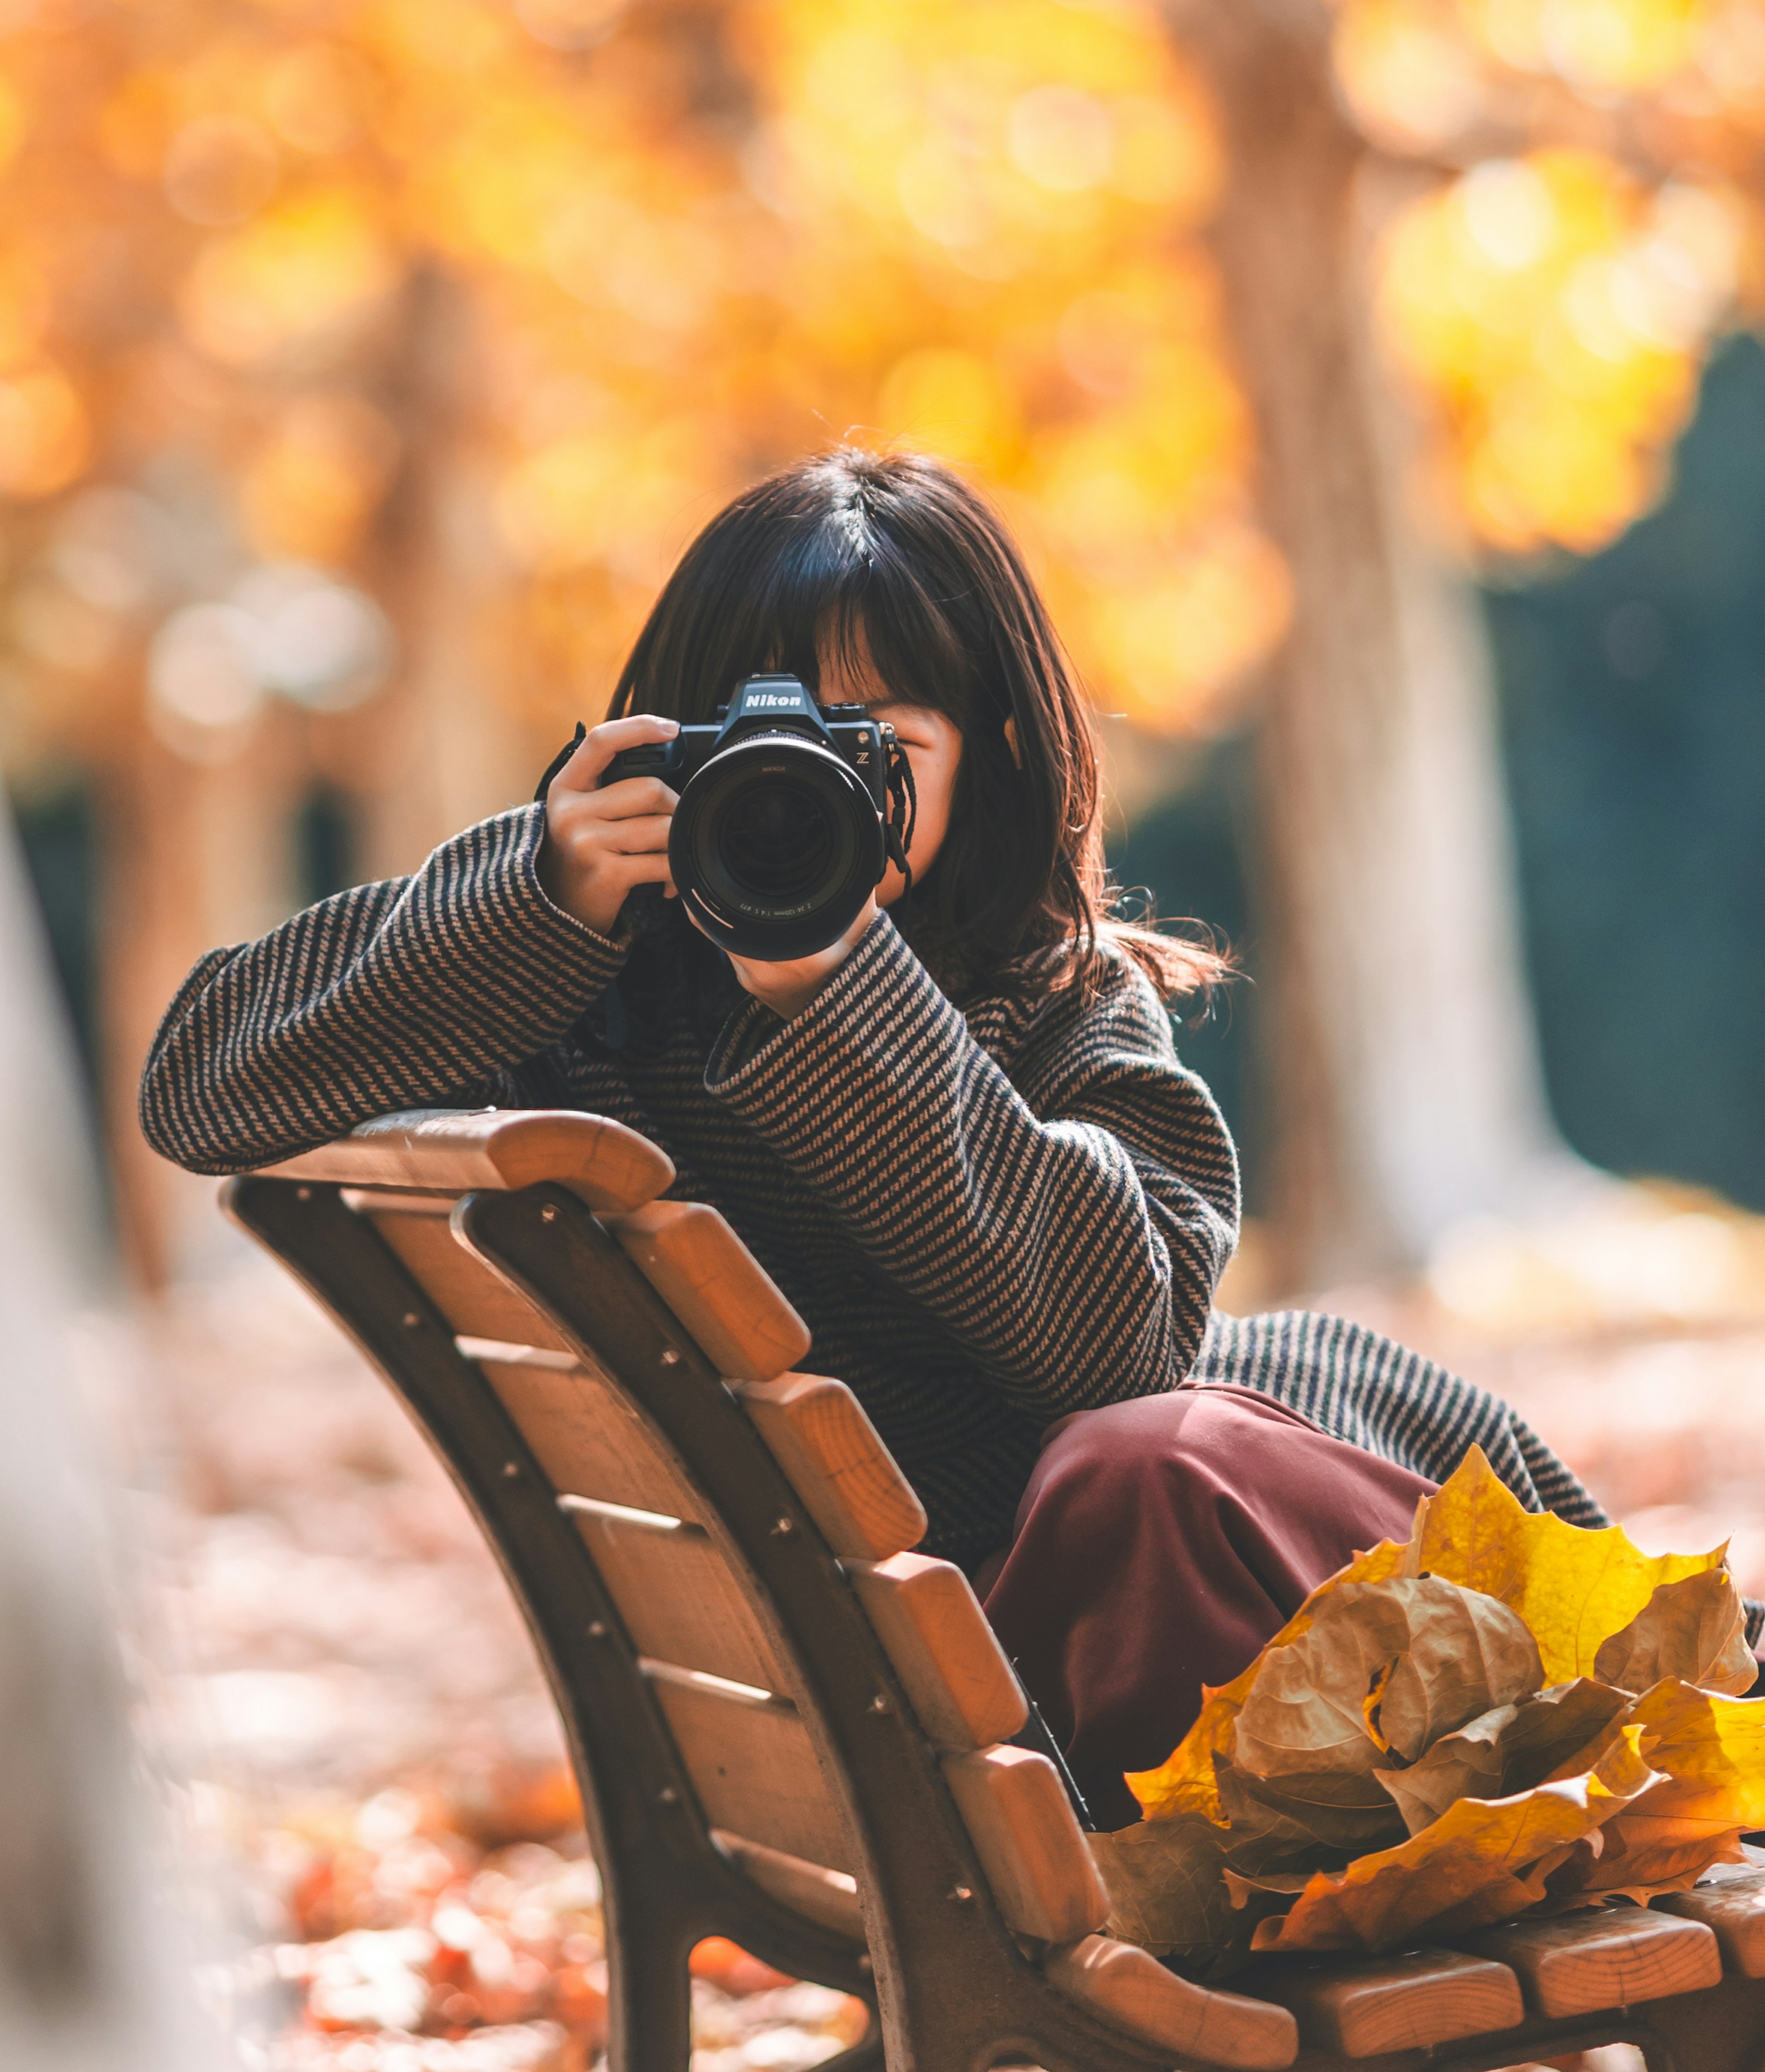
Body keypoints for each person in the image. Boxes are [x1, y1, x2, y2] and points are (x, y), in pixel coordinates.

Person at [140, 449, 1614, 1826]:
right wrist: (535, 888)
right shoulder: (567, 999)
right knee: (1153, 1472)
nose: (800, 794)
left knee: (1205, 1450)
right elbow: (199, 1089)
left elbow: (1126, 1333)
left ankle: (1657, 1666)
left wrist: (841, 989)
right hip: (989, 1691)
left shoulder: (1055, 999)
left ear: (993, 757)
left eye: (873, 747)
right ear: (657, 745)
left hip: (1048, 1647)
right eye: (746, 750)